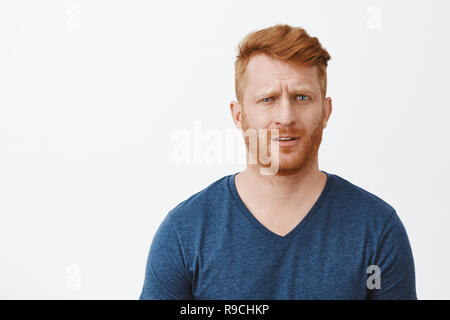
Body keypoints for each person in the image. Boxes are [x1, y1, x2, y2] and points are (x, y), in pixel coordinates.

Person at [139, 24, 417, 300]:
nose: (285, 116)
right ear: (238, 115)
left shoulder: (378, 229)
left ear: (326, 111)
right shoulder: (184, 233)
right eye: (268, 99)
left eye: (302, 97)